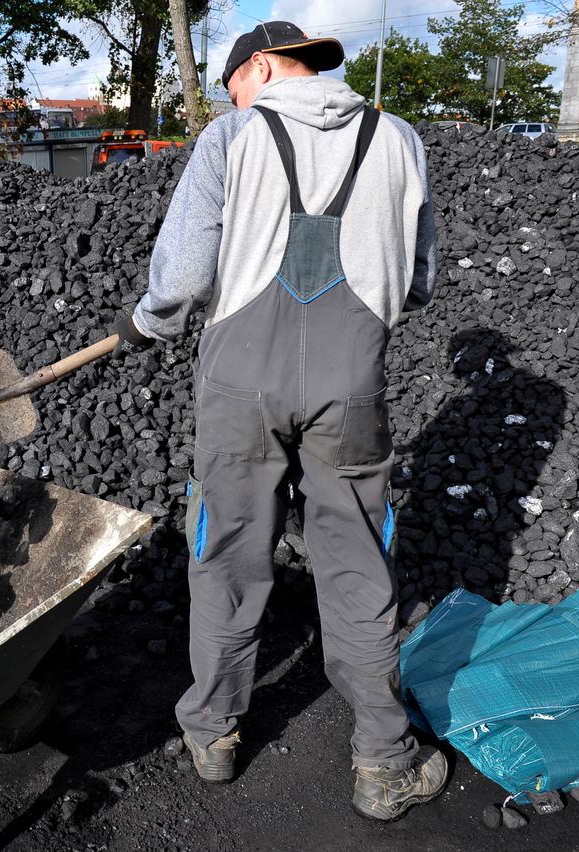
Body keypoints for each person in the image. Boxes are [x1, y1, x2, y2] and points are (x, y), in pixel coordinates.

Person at [110, 21, 446, 821]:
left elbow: (187, 274)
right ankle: (383, 763)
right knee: (358, 561)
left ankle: (215, 733)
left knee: (225, 553)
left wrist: (147, 322)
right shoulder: (398, 139)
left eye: (231, 83)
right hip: (351, 385)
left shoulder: (232, 136)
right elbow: (421, 278)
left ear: (258, 67)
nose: (231, 98)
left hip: (239, 388)